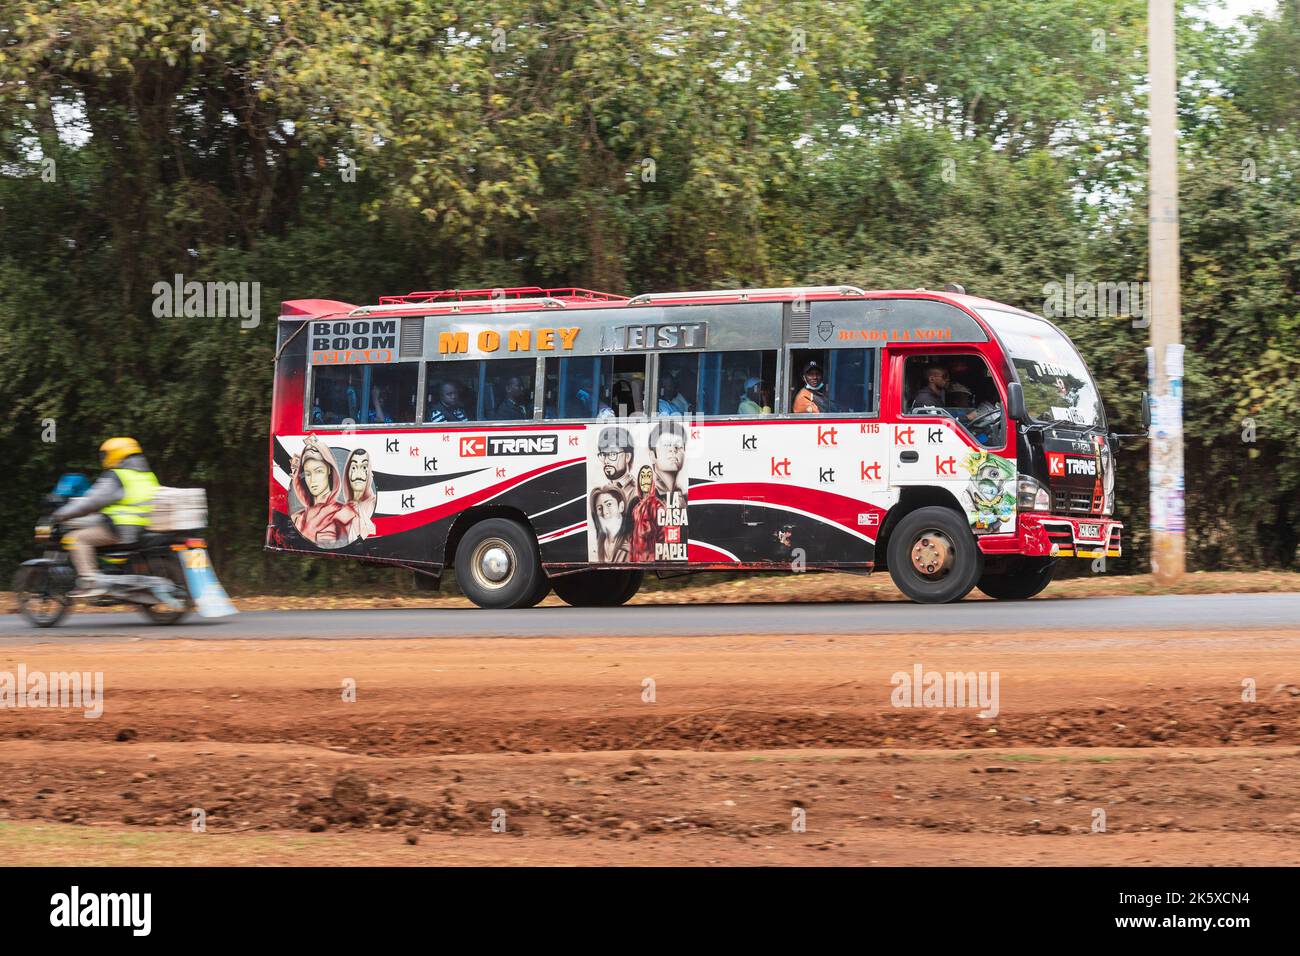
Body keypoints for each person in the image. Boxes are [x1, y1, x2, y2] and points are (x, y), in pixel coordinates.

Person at [50, 437, 161, 597]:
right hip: (144, 527)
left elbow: (92, 501)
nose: (104, 458)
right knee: (93, 527)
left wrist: (62, 514)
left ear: (116, 454)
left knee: (76, 538)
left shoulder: (117, 476)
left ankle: (90, 581)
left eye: (105, 454)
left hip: (122, 529)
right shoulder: (147, 475)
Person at [289, 435, 354, 547]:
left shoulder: (343, 513)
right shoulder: (298, 518)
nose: (313, 480)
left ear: (329, 469)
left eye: (319, 471)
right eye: (308, 474)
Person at [340, 448, 377, 541]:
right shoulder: (342, 510)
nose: (358, 474)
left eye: (364, 467)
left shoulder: (374, 504)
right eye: (353, 467)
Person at [596, 427, 637, 505]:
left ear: (627, 457)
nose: (606, 461)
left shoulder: (637, 491)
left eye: (612, 454)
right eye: (603, 454)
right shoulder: (604, 490)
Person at [590, 485, 630, 563]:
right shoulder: (599, 544)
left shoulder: (631, 541)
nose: (605, 512)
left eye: (609, 504)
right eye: (599, 508)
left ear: (621, 506)